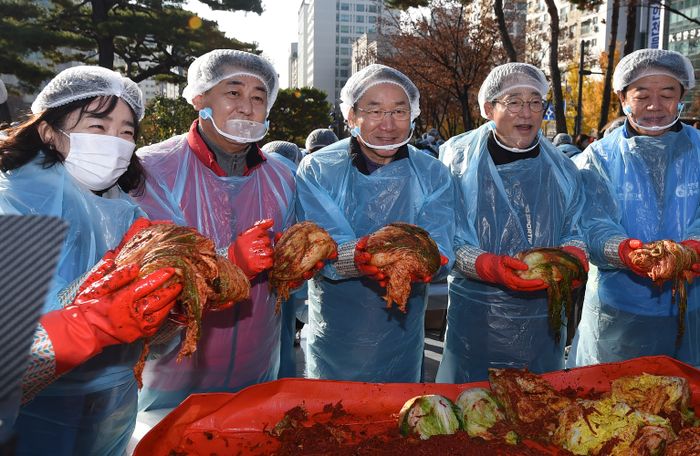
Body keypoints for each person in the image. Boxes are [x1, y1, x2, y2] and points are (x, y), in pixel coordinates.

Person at [0, 65, 183, 455]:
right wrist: (85, 321)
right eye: (98, 127)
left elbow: (149, 336)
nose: (114, 142)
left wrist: (180, 305)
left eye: (126, 132)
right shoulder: (12, 202)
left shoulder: (129, 215)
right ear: (49, 131)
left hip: (113, 402)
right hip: (30, 413)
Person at [133, 49, 297, 410]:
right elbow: (140, 274)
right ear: (199, 97)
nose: (247, 107)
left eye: (259, 97)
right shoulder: (153, 169)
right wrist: (225, 265)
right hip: (171, 375)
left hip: (256, 367)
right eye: (233, 92)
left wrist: (295, 265)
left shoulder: (282, 176)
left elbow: (289, 258)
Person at [294, 64, 455, 382]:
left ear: (413, 115)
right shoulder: (318, 169)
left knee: (396, 419)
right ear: (351, 117)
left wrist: (427, 260)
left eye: (399, 110)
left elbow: (439, 248)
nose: (389, 124)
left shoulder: (432, 173)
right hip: (335, 335)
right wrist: (364, 256)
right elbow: (320, 244)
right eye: (375, 110)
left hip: (402, 341)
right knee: (329, 419)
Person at [437, 63, 588, 383]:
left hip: (542, 328)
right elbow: (444, 231)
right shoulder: (458, 161)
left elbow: (575, 228)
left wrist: (574, 256)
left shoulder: (562, 168)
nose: (527, 112)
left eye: (535, 102)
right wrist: (486, 265)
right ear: (489, 108)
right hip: (476, 321)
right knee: (471, 415)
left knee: (534, 412)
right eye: (514, 101)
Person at [568, 49, 700, 368]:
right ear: (622, 98)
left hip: (692, 310)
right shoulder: (597, 158)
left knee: (682, 407)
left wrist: (693, 250)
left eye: (667, 94)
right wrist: (626, 252)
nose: (655, 105)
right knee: (609, 409)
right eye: (642, 95)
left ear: (682, 95)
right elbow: (592, 224)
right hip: (617, 315)